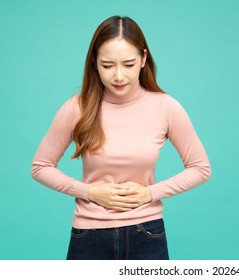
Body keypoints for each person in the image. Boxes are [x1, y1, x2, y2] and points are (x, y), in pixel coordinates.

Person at [31, 15, 211, 260]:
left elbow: (200, 168)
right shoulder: (77, 107)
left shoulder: (165, 107)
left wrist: (150, 193)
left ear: (143, 59)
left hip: (147, 234)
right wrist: (90, 192)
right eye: (107, 65)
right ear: (94, 62)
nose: (118, 76)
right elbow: (40, 167)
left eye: (128, 64)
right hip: (89, 235)